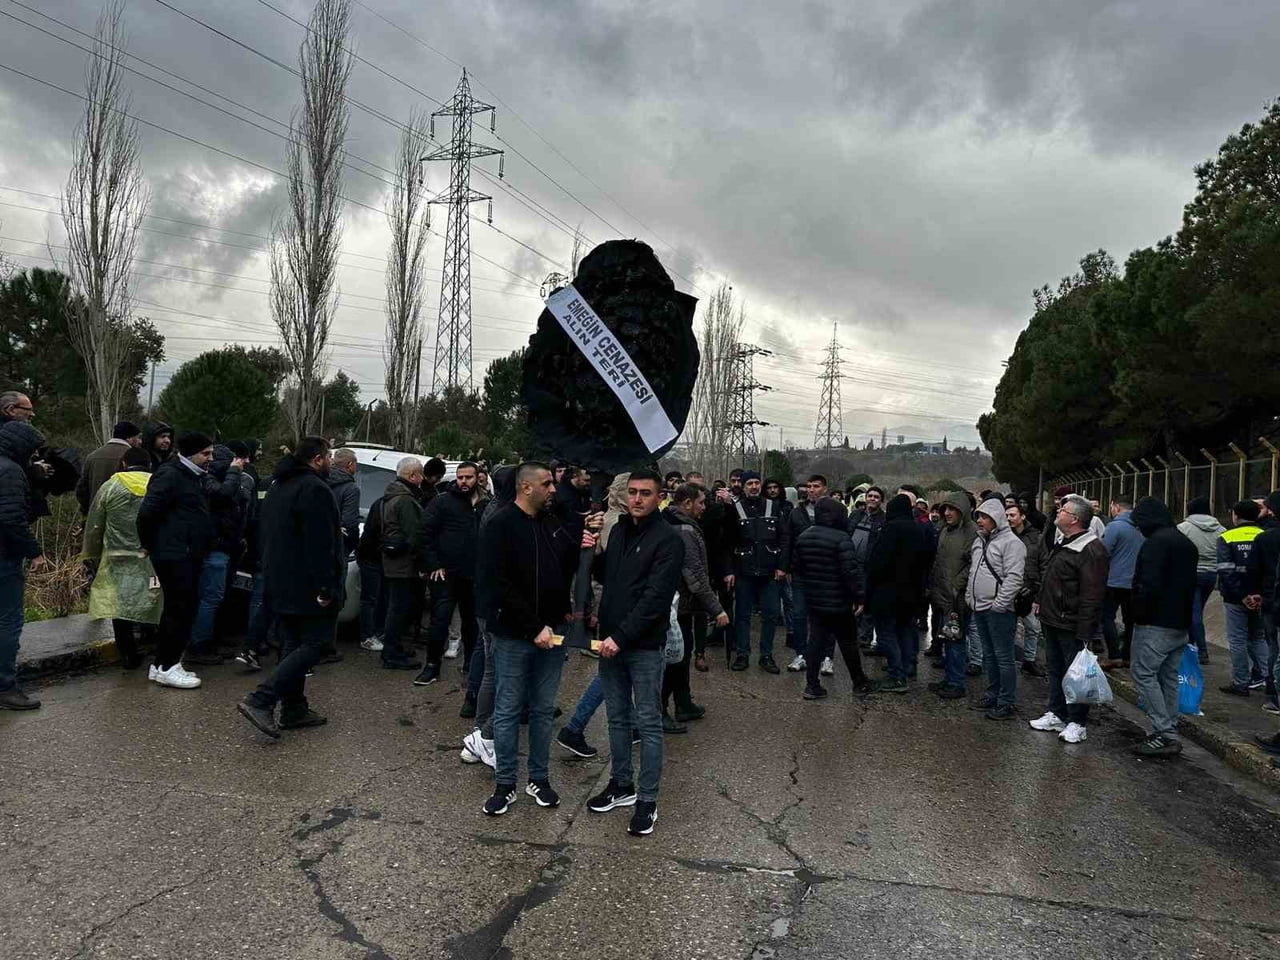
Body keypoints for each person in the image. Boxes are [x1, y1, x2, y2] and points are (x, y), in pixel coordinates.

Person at [480, 462, 584, 817]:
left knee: (542, 709)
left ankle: (539, 778)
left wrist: (587, 540)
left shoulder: (550, 523)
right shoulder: (500, 524)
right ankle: (505, 783)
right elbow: (498, 584)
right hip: (513, 635)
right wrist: (532, 626)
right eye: (547, 483)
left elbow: (563, 567)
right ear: (526, 487)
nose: (553, 489)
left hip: (552, 633)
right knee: (508, 709)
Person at [585, 468, 684, 838]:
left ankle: (647, 800)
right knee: (616, 719)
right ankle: (621, 784)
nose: (637, 499)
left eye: (645, 493)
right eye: (632, 492)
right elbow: (605, 576)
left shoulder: (669, 539)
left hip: (641, 646)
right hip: (610, 641)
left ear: (660, 497)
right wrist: (593, 546)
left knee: (648, 722)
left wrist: (622, 636)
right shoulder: (620, 530)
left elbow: (655, 599)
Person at [237, 437, 345, 739]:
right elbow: (320, 543)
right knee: (317, 643)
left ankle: (294, 707)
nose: (331, 462)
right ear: (317, 458)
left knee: (293, 643)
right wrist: (326, 586)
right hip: (308, 584)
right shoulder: (315, 489)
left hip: (280, 579)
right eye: (329, 457)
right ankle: (261, 699)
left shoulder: (278, 485)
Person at [135, 431, 216, 690]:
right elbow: (147, 513)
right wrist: (149, 544)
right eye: (205, 453)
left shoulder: (192, 476)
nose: (210, 458)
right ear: (190, 454)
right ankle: (169, 666)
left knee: (178, 609)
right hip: (175, 554)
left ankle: (162, 664)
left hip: (186, 552)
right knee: (180, 609)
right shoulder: (171, 474)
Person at [1029, 495, 1109, 744]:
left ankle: (1078, 722)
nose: (1058, 512)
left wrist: (1085, 632)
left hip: (1072, 623)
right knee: (1055, 670)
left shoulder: (1091, 549)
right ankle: (1057, 713)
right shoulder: (1064, 542)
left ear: (1074, 519)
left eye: (1063, 510)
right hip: (1053, 619)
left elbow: (1092, 595)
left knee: (1075, 675)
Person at [1128, 497, 1199, 758]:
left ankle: (1164, 732)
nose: (1138, 529)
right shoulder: (1186, 543)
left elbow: (1148, 585)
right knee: (1168, 676)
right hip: (1180, 622)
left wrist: (1137, 613)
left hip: (1154, 623)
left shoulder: (1155, 544)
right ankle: (1170, 727)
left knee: (1143, 673)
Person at [81, 447, 161, 671]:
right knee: (153, 596)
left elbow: (96, 523)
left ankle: (128, 652)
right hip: (150, 555)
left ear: (124, 463)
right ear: (149, 465)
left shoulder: (111, 486)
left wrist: (91, 553)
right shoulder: (157, 484)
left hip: (118, 556)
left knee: (120, 604)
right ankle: (152, 640)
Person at [662, 482, 728, 729]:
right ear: (687, 503)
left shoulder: (676, 522)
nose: (704, 507)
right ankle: (660, 709)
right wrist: (716, 609)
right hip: (678, 606)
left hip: (683, 605)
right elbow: (694, 574)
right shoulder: (684, 530)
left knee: (682, 655)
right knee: (675, 659)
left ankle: (683, 703)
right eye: (701, 503)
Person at [415, 460, 486, 686]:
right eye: (460, 477)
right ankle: (432, 665)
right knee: (440, 621)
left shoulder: (485, 503)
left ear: (477, 478)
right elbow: (424, 534)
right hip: (445, 574)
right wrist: (433, 565)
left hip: (473, 575)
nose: (464, 481)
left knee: (471, 622)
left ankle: (471, 665)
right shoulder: (442, 502)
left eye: (468, 477)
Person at [793, 497, 869, 700]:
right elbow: (850, 572)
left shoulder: (804, 537)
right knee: (848, 643)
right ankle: (859, 682)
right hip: (839, 602)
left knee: (815, 642)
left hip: (815, 600)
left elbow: (798, 569)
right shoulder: (842, 538)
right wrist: (859, 597)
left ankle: (811, 685)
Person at [186, 444, 255, 665]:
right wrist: (234, 473)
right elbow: (222, 498)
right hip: (215, 548)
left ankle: (210, 639)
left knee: (215, 597)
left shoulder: (226, 481)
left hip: (226, 546)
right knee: (210, 598)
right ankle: (199, 645)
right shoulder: (210, 482)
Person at [964, 497, 1026, 720]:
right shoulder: (980, 541)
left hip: (999, 611)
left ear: (996, 518)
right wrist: (970, 597)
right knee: (989, 656)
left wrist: (999, 604)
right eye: (979, 516)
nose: (980, 521)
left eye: (985, 517)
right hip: (980, 608)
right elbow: (974, 571)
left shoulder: (1012, 543)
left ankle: (1006, 702)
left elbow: (1014, 577)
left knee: (1003, 657)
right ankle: (992, 695)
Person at [0, 420, 46, 710]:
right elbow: (11, 518)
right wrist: (34, 551)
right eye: (33, 450)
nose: (35, 455)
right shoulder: (10, 471)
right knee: (8, 621)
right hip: (4, 558)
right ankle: (5, 687)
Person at [723, 470, 788, 673]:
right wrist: (729, 571)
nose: (753, 487)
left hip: (770, 573)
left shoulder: (773, 506)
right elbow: (727, 543)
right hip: (744, 572)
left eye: (756, 483)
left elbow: (784, 538)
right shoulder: (735, 509)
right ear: (743, 487)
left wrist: (782, 566)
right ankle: (742, 654)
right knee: (742, 616)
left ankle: (766, 656)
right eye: (749, 483)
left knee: (771, 615)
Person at [865, 493, 928, 692]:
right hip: (910, 592)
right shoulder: (918, 529)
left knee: (886, 633)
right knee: (905, 630)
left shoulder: (891, 529)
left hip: (887, 591)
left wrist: (869, 588)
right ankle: (908, 666)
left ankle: (896, 675)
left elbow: (879, 562)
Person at [378, 457, 426, 671]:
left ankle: (394, 647)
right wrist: (423, 562)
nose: (422, 479)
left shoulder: (390, 496)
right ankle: (391, 654)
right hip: (403, 564)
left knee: (396, 607)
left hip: (393, 561)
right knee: (398, 609)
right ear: (413, 475)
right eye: (421, 474)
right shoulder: (405, 500)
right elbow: (414, 534)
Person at [927, 491, 976, 699]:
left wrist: (957, 584)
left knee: (956, 641)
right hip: (942, 595)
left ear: (962, 511)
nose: (947, 513)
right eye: (945, 509)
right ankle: (949, 678)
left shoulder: (971, 533)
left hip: (957, 598)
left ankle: (956, 683)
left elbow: (973, 563)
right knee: (948, 639)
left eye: (952, 509)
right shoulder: (945, 531)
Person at [1218, 499, 1267, 696]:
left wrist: (1243, 595)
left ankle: (1240, 682)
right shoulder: (1265, 535)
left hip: (1234, 598)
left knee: (1237, 640)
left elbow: (1226, 571)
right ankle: (1269, 678)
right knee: (1258, 638)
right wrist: (1259, 594)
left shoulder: (1227, 537)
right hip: (1261, 598)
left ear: (1235, 516)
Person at [783, 475, 827, 675]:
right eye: (809, 486)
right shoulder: (796, 512)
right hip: (800, 572)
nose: (811, 490)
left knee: (824, 615)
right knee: (799, 614)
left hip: (824, 573)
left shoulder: (834, 511)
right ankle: (801, 654)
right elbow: (788, 540)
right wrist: (786, 567)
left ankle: (826, 657)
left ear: (824, 488)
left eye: (816, 486)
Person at [1178, 496, 1225, 665]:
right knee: (1198, 611)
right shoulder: (1221, 530)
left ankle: (1201, 650)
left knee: (1193, 613)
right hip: (1211, 575)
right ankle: (1191, 644)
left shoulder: (1183, 528)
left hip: (1191, 573)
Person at [1244, 490, 1280, 714]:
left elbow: (1254, 569)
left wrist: (1254, 593)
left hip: (1271, 600)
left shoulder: (1264, 537)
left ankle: (1273, 694)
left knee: (1273, 647)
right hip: (1271, 597)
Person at [1100, 495, 1143, 670]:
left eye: (1111, 507)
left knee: (1106, 617)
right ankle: (1127, 656)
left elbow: (1103, 552)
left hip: (1113, 580)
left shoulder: (1114, 526)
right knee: (1130, 620)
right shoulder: (1140, 527)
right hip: (1134, 582)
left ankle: (1114, 655)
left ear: (1116, 507)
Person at [1006, 503, 1047, 677]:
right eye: (1007, 515)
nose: (1009, 519)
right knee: (1008, 628)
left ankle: (1029, 660)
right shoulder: (1004, 537)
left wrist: (1038, 592)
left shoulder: (1037, 538)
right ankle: (1006, 660)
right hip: (1008, 589)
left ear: (1022, 516)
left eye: (1012, 515)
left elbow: (1044, 565)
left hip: (1030, 589)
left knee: (1032, 627)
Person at [849, 486, 886, 651]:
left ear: (881, 501)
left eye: (876, 497)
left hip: (868, 567)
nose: (872, 499)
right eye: (870, 496)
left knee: (866, 602)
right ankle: (850, 633)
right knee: (850, 598)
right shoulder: (856, 514)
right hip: (851, 564)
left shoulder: (883, 520)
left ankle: (864, 637)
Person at [75, 421, 141, 515]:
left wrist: (88, 511)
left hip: (96, 514)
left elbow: (82, 490)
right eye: (138, 438)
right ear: (129, 438)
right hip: (123, 516)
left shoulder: (92, 456)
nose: (140, 441)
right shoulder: (135, 457)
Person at [328, 448, 361, 556]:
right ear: (350, 464)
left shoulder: (320, 480)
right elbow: (349, 523)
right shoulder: (350, 489)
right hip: (339, 546)